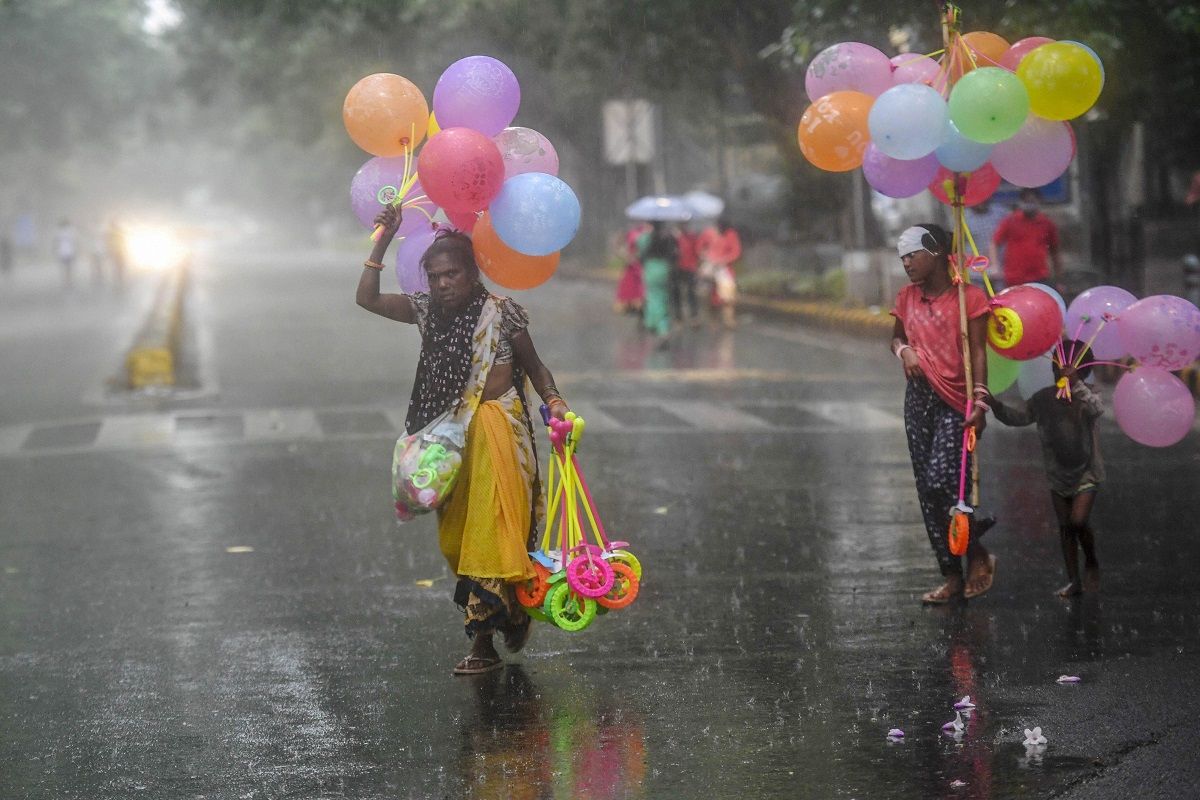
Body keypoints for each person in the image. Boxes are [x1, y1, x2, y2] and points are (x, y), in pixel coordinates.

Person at [356, 204, 570, 676]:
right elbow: (367, 300)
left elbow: (534, 368)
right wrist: (382, 241)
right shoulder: (427, 311)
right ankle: (509, 611)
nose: (442, 284)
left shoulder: (502, 313)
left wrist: (553, 400)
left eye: (451, 274)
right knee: (457, 541)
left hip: (499, 429)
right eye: (433, 276)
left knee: (490, 532)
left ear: (472, 273)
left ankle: (483, 643)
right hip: (449, 438)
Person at [890, 223, 995, 604]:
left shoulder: (968, 298)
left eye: (912, 254)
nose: (906, 263)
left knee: (943, 483)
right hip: (918, 399)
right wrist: (905, 352)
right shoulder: (905, 297)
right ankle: (952, 576)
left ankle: (977, 549)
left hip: (956, 400)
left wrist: (980, 402)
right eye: (902, 256)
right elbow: (896, 338)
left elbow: (980, 352)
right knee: (927, 492)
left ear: (935, 253)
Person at [986, 342, 1104, 598]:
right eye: (1061, 368)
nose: (1065, 373)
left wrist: (1078, 387)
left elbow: (1097, 409)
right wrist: (995, 405)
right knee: (1065, 528)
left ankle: (1091, 559)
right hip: (1056, 473)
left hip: (1087, 472)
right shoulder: (1043, 398)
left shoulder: (1088, 395)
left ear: (1083, 372)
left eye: (1073, 370)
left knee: (1078, 521)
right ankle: (1074, 580)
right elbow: (1018, 418)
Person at [992, 189, 1061, 290]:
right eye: (1026, 201)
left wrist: (1058, 279)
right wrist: (995, 266)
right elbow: (995, 243)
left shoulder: (1047, 224)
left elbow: (1055, 252)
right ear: (1020, 202)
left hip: (1039, 276)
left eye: (1032, 201)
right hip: (1014, 277)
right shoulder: (1010, 221)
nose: (1029, 205)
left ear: (1039, 202)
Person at [697, 217, 742, 329]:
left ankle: (729, 320)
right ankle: (711, 318)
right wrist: (705, 256)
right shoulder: (709, 233)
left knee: (728, 296)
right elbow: (699, 247)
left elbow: (736, 252)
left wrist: (724, 260)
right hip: (710, 265)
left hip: (724, 268)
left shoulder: (731, 234)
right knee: (705, 293)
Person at [637, 221, 677, 344]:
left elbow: (640, 252)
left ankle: (654, 324)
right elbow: (674, 254)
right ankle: (661, 325)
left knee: (653, 298)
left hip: (651, 269)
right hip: (664, 270)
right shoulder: (669, 237)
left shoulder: (646, 238)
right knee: (662, 298)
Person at [613, 223, 646, 315]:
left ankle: (640, 307)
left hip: (642, 265)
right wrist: (624, 256)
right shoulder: (632, 232)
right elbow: (617, 244)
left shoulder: (648, 233)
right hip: (631, 266)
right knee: (628, 286)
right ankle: (630, 306)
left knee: (640, 287)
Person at [671, 224, 700, 323]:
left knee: (691, 292)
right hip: (677, 268)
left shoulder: (692, 237)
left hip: (690, 267)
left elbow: (697, 251)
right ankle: (678, 315)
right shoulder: (674, 237)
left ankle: (694, 315)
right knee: (676, 291)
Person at [54, 218, 78, 287]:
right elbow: (75, 241)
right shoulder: (71, 231)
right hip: (70, 252)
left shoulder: (59, 231)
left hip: (62, 252)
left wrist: (55, 250)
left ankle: (66, 282)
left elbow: (56, 242)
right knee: (69, 268)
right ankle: (69, 282)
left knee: (64, 268)